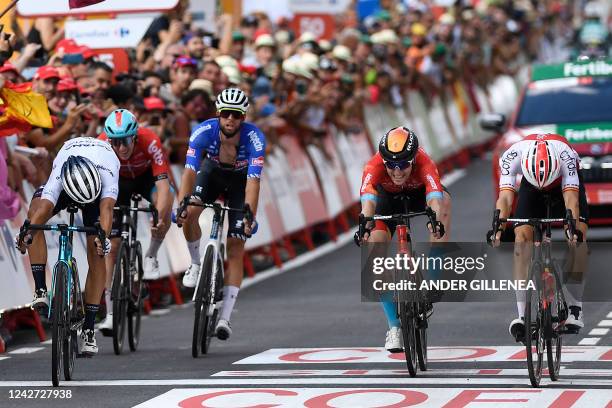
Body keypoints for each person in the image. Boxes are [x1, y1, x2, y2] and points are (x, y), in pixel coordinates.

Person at [16, 137, 120, 355]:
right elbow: (43, 208)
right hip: (69, 179)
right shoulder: (60, 171)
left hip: (94, 191)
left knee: (97, 251)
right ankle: (40, 289)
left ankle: (89, 329)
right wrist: (28, 234)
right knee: (34, 217)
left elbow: (107, 209)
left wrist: (104, 238)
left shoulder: (109, 169)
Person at [176, 88, 265, 341]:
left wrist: (249, 214)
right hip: (211, 174)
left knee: (236, 245)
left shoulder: (255, 138)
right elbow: (189, 171)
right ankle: (195, 263)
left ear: (243, 118)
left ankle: (225, 317)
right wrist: (183, 203)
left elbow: (253, 182)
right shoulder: (204, 131)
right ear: (218, 114)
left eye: (236, 115)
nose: (230, 119)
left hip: (240, 181)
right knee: (191, 211)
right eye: (226, 114)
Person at [355, 126, 451, 352]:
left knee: (444, 205)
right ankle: (394, 327)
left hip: (419, 197)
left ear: (413, 159)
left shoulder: (425, 162)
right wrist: (366, 224)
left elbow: (435, 196)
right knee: (373, 251)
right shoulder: (373, 166)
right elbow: (367, 201)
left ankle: (434, 279)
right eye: (391, 166)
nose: (397, 171)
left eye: (403, 165)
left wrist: (434, 219)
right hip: (387, 199)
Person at [488, 133, 588, 341]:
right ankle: (522, 315)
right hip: (530, 186)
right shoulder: (512, 155)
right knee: (521, 238)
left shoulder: (566, 156)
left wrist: (572, 230)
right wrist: (498, 227)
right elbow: (505, 198)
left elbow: (571, 200)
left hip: (563, 185)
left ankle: (575, 308)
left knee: (577, 236)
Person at [96, 109, 173, 334]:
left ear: (135, 136)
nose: (121, 148)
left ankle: (150, 255)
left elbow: (162, 185)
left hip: (145, 179)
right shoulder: (101, 144)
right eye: (116, 143)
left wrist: (158, 216)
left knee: (166, 201)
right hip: (118, 182)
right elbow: (100, 188)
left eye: (126, 142)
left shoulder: (150, 141)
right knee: (112, 247)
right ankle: (109, 313)